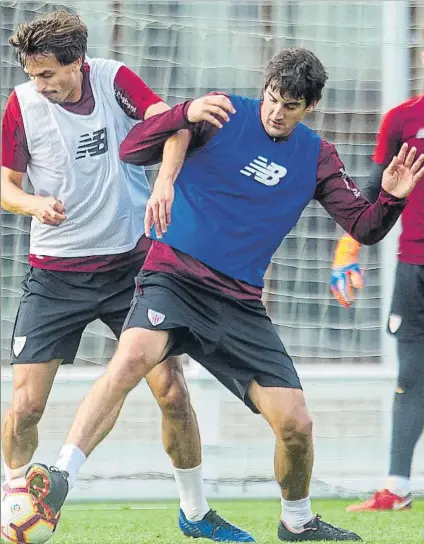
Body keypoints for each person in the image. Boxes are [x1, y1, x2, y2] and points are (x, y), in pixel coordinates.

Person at [27, 46, 424, 542]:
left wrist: (391, 196)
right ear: (265, 88)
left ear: (310, 107)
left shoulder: (317, 157)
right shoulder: (221, 113)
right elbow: (132, 149)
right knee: (131, 359)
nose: (277, 112)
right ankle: (64, 473)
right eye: (273, 98)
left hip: (239, 303)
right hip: (174, 277)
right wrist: (182, 113)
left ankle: (296, 520)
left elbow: (364, 228)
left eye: (291, 106)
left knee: (296, 423)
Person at [0, 10, 254, 542]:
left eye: (46, 73)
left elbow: (174, 125)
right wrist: (32, 205)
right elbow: (6, 185)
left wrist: (164, 182)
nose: (37, 84)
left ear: (76, 62)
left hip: (131, 267)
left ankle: (195, 510)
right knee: (25, 406)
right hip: (56, 273)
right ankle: (15, 502)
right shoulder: (22, 106)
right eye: (31, 73)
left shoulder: (116, 80)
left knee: (172, 390)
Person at [330, 39, 424, 513]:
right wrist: (348, 246)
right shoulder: (402, 120)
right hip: (414, 269)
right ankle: (397, 488)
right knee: (411, 378)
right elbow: (373, 190)